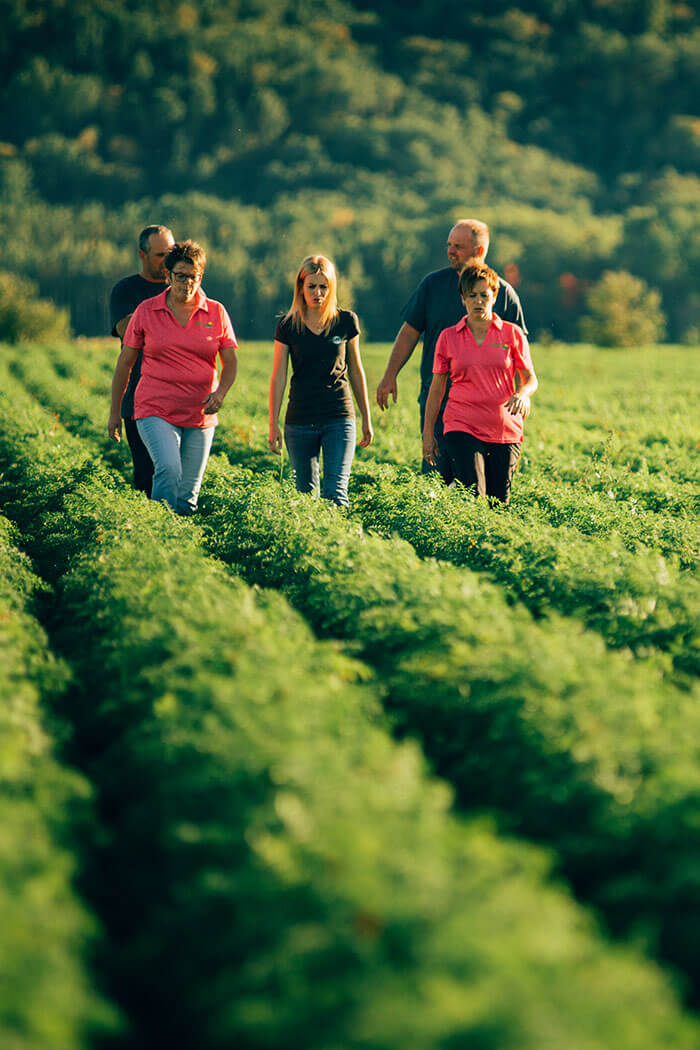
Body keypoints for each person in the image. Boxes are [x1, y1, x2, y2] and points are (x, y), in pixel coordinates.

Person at [376, 218, 527, 481]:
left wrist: (519, 396)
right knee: (436, 476)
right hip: (438, 398)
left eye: (458, 246)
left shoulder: (504, 294)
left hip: (489, 410)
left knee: (482, 485)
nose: (450, 251)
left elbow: (518, 356)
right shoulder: (432, 285)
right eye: (449, 245)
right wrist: (390, 375)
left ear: (479, 251)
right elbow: (410, 332)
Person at [108, 240, 238, 515]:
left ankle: (179, 538)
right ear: (168, 275)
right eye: (181, 276)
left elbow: (230, 361)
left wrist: (220, 394)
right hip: (155, 409)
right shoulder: (146, 311)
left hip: (200, 413)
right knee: (168, 468)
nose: (188, 283)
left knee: (188, 494)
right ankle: (159, 529)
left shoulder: (216, 312)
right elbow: (125, 363)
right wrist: (115, 412)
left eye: (194, 277)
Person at [422, 262, 537, 506]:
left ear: (494, 296)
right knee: (474, 495)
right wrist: (428, 434)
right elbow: (437, 389)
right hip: (461, 424)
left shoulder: (512, 334)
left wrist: (522, 394)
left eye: (484, 295)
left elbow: (530, 378)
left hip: (504, 429)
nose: (478, 301)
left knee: (498, 504)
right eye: (472, 295)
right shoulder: (448, 337)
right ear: (463, 299)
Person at [268, 254, 373, 507]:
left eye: (323, 287)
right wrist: (273, 424)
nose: (317, 293)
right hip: (300, 420)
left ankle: (339, 533)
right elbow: (279, 376)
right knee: (305, 498)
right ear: (300, 288)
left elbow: (356, 371)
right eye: (311, 286)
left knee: (336, 495)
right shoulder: (287, 326)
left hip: (339, 416)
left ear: (331, 287)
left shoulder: (346, 321)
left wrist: (366, 419)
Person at [109, 224, 175, 496]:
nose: (167, 261)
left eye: (170, 253)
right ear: (142, 255)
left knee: (178, 476)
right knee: (147, 477)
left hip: (180, 400)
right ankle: (150, 521)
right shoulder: (126, 290)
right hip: (138, 400)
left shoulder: (185, 289)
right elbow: (127, 330)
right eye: (160, 255)